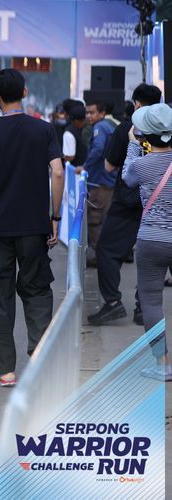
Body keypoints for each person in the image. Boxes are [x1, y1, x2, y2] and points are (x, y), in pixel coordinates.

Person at [0, 68, 64, 387]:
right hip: (35, 225)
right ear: (24, 93)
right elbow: (58, 172)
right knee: (37, 290)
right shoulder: (44, 129)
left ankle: (5, 369)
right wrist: (54, 217)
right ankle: (40, 359)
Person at [90, 84, 162, 326]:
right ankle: (143, 307)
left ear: (137, 103)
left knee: (107, 250)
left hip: (127, 201)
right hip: (158, 201)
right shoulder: (166, 129)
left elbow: (109, 166)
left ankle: (112, 302)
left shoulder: (127, 129)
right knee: (149, 255)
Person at [122, 102, 172, 381]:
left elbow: (126, 178)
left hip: (151, 239)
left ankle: (163, 365)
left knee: (151, 302)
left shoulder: (141, 165)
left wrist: (133, 145)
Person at [84, 100, 118, 264]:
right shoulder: (108, 126)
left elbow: (98, 149)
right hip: (107, 181)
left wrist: (85, 166)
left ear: (102, 114)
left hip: (100, 182)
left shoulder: (100, 127)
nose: (88, 116)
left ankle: (99, 257)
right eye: (87, 112)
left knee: (95, 219)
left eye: (92, 112)